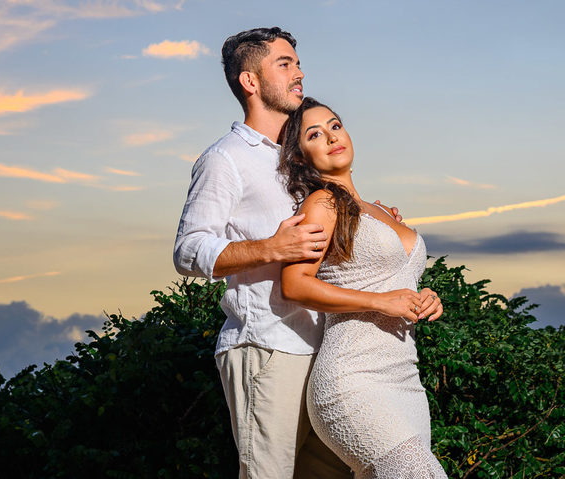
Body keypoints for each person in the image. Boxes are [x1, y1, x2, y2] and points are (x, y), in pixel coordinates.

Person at [173, 27, 352, 479]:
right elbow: (188, 249)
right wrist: (272, 247)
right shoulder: (225, 158)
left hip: (325, 351)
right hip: (266, 347)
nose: (300, 73)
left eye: (297, 62)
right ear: (250, 82)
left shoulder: (301, 155)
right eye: (285, 63)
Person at [279, 98, 447, 479]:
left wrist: (426, 298)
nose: (331, 137)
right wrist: (379, 302)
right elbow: (295, 283)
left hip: (405, 380)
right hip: (353, 380)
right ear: (301, 157)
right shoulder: (321, 203)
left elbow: (397, 280)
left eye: (335, 126)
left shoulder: (380, 210)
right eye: (314, 134)